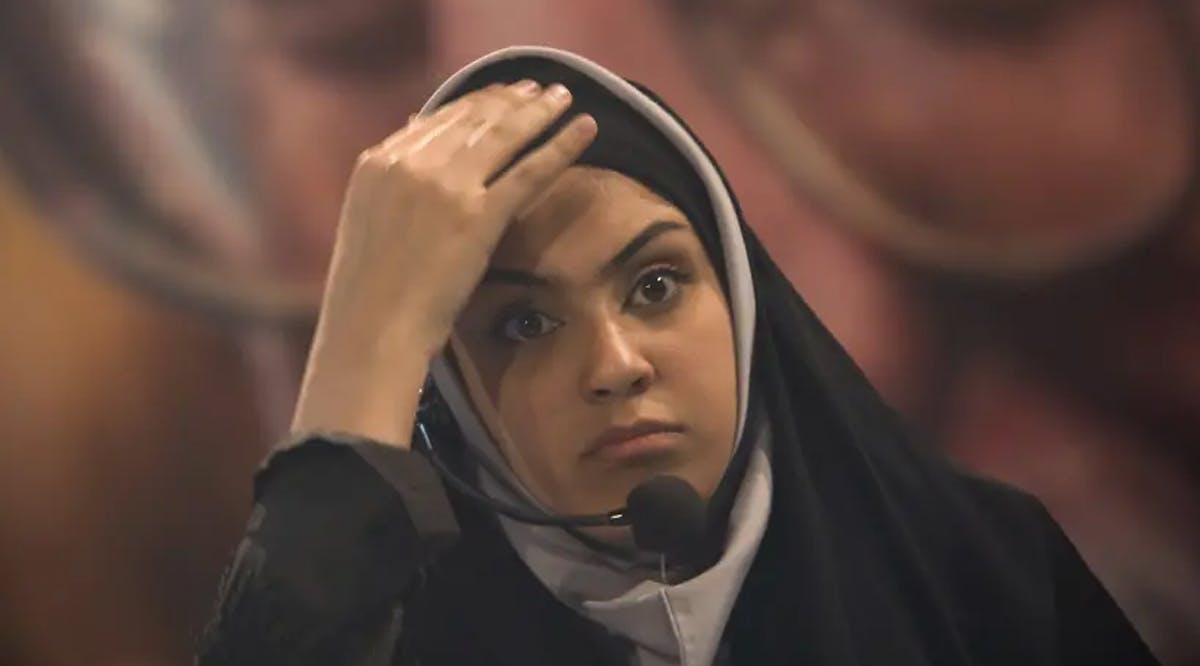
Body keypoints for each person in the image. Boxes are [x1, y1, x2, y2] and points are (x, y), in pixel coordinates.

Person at [196, 46, 1159, 666]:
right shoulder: (402, 641)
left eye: (655, 286)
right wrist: (365, 339)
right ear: (457, 399)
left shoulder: (985, 575)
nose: (615, 365)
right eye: (523, 326)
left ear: (742, 298)